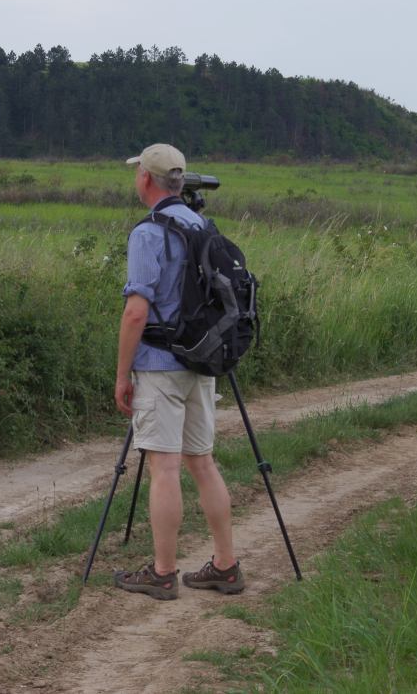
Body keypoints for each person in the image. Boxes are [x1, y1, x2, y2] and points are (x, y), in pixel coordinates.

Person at [112, 143, 245, 601]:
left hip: (159, 364)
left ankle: (163, 573)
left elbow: (136, 312)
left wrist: (122, 374)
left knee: (164, 467)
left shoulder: (148, 233)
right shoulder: (201, 225)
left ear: (146, 179)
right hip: (201, 361)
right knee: (202, 463)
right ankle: (225, 565)